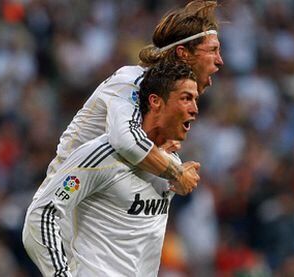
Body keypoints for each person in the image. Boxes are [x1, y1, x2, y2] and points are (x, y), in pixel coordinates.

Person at [23, 61, 200, 276]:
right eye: (186, 98)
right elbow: (41, 214)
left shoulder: (172, 164)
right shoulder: (102, 156)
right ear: (155, 102)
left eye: (195, 100)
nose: (194, 109)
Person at [42, 0, 223, 197]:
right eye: (213, 50)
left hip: (103, 206)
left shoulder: (170, 99)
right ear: (183, 54)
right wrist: (176, 173)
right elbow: (126, 142)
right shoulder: (131, 82)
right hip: (64, 203)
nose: (220, 60)